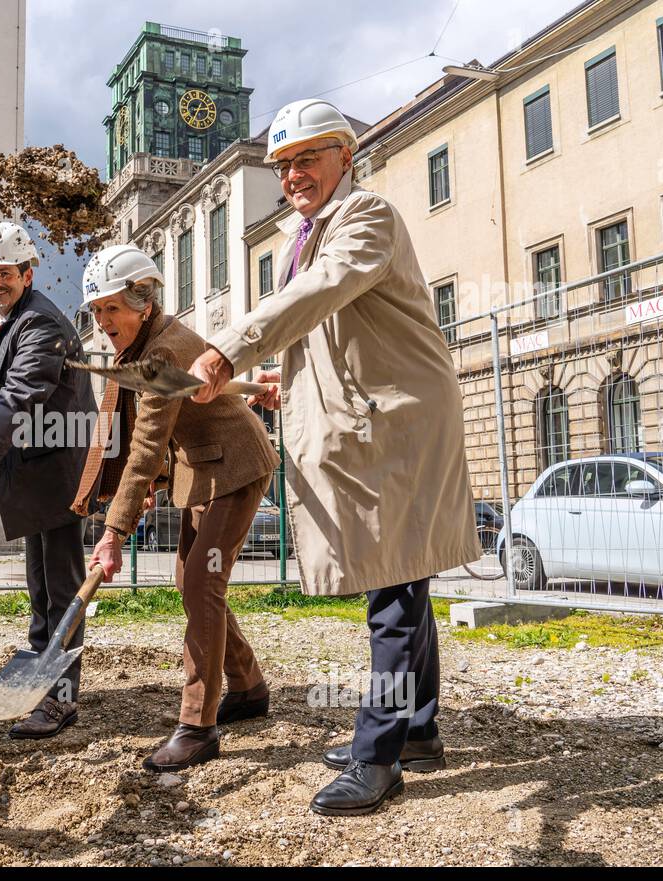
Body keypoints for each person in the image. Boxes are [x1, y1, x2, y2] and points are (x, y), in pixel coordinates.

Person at [187, 98, 480, 815]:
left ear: (345, 157)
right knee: (402, 582)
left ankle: (377, 757)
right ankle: (417, 731)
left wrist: (229, 345)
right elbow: (330, 336)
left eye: (307, 158)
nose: (293, 174)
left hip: (397, 428)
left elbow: (322, 294)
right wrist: (281, 386)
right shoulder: (311, 233)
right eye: (284, 164)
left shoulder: (366, 217)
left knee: (394, 591)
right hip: (376, 422)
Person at [76, 245, 281, 772]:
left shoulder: (160, 352)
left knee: (201, 583)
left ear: (144, 302)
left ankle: (197, 725)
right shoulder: (151, 341)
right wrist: (153, 483)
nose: (103, 322)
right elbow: (163, 440)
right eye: (96, 310)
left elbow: (146, 442)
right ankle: (249, 686)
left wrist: (113, 532)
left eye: (112, 308)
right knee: (191, 579)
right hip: (204, 469)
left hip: (234, 468)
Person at [0, 224, 97, 739]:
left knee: (62, 588)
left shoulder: (41, 325)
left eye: (4, 273)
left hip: (58, 472)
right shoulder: (7, 318)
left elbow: (17, 400)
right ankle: (41, 673)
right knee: (40, 586)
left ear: (27, 273)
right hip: (34, 469)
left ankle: (61, 698)